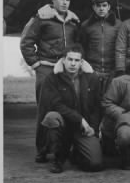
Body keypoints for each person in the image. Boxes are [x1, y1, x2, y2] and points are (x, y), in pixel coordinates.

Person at [20, 0, 80, 162]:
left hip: (65, 69)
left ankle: (65, 148)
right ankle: (43, 149)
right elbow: (26, 42)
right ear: (53, 0)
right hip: (46, 68)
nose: (64, 2)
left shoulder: (73, 22)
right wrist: (36, 64)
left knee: (69, 107)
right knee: (45, 109)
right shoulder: (41, 18)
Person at [38, 44, 104, 173]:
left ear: (81, 62)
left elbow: (97, 106)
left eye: (77, 60)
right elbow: (55, 105)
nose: (73, 63)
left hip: (83, 128)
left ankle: (77, 153)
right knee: (51, 117)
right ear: (63, 60)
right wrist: (80, 119)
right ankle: (58, 158)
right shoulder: (52, 78)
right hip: (64, 125)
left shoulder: (92, 78)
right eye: (70, 59)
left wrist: (94, 129)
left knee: (95, 164)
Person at [80, 0, 121, 93]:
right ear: (94, 7)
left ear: (109, 7)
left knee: (109, 100)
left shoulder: (118, 25)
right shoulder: (86, 26)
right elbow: (81, 47)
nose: (101, 8)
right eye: (98, 6)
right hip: (92, 71)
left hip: (111, 71)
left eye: (104, 5)